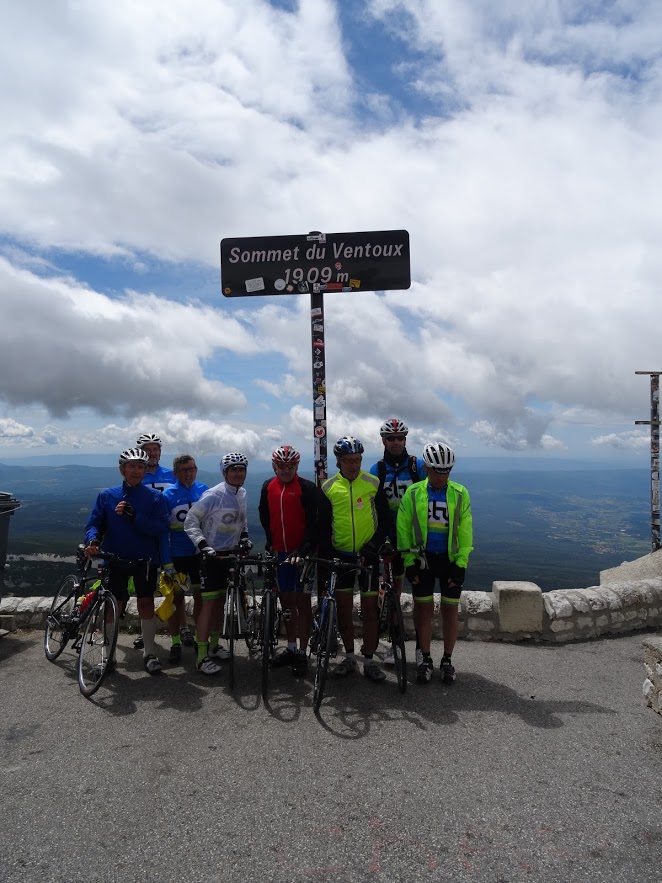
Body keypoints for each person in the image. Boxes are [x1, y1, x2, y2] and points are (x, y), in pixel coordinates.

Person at [83, 448, 170, 674]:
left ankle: (150, 654)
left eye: (140, 467)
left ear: (145, 470)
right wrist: (92, 539)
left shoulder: (155, 497)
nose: (136, 471)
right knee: (114, 606)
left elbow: (161, 527)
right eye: (131, 466)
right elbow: (94, 523)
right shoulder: (107, 496)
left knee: (146, 604)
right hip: (115, 558)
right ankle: (108, 655)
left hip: (145, 560)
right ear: (122, 469)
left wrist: (136, 517)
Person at [396, 442, 473, 684]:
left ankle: (447, 660)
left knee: (450, 610)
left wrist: (461, 564)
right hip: (422, 559)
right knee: (424, 609)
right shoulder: (414, 492)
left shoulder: (460, 493)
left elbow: (465, 531)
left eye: (447, 471)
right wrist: (409, 562)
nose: (442, 476)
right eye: (437, 470)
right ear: (426, 468)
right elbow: (403, 528)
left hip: (449, 561)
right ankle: (425, 659)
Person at [318, 436, 391, 682]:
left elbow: (385, 520)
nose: (354, 465)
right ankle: (349, 657)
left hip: (368, 556)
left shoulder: (372, 483)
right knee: (344, 611)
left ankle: (369, 660)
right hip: (342, 557)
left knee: (371, 611)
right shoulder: (328, 488)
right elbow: (324, 526)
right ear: (339, 461)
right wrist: (330, 554)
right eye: (349, 460)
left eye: (358, 460)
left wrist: (374, 546)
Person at [184, 452, 251, 675]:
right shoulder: (213, 495)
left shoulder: (241, 493)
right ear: (225, 473)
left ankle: (213, 646)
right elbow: (190, 521)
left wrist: (244, 538)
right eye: (234, 470)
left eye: (241, 469)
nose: (238, 473)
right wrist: (203, 545)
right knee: (209, 605)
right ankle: (201, 656)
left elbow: (242, 521)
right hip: (211, 556)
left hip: (231, 556)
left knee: (221, 604)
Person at [258, 445, 321, 677]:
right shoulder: (268, 487)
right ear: (274, 465)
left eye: (290, 466)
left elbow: (315, 523)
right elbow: (264, 515)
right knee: (287, 604)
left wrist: (304, 549)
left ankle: (302, 653)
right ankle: (291, 648)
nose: (285, 470)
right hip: (281, 554)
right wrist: (269, 542)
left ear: (296, 465)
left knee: (303, 604)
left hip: (304, 554)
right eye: (281, 466)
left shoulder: (307, 488)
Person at [369, 418, 424, 664]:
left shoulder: (417, 467)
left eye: (400, 437)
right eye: (391, 438)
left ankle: (423, 649)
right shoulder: (377, 470)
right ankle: (395, 642)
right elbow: (372, 507)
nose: (395, 442)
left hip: (414, 537)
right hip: (389, 537)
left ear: (405, 440)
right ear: (383, 440)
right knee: (395, 590)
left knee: (421, 591)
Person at [159, 455, 209, 664]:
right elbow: (162, 532)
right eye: (183, 470)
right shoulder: (167, 495)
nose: (188, 473)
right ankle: (176, 641)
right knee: (175, 599)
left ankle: (200, 639)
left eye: (191, 469)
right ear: (175, 474)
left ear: (196, 470)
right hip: (176, 556)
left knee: (200, 598)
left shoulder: (204, 491)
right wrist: (166, 561)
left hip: (199, 555)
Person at [132, 432, 176, 649]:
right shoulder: (137, 475)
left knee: (174, 583)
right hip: (143, 537)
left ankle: (180, 629)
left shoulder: (171, 474)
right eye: (148, 449)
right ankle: (146, 632)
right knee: (145, 590)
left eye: (155, 449)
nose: (152, 453)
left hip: (169, 536)